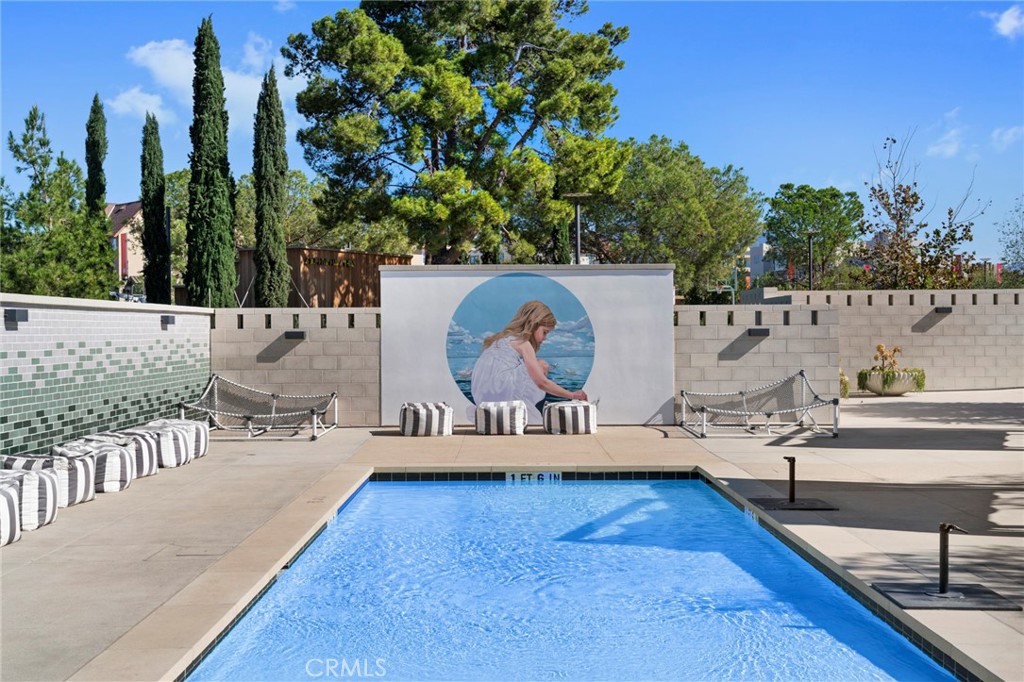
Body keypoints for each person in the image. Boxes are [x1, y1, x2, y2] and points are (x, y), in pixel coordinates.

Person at [470, 300, 588, 424]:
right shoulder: (523, 343)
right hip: (502, 390)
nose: (545, 338)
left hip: (482, 395)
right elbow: (542, 383)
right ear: (533, 324)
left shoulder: (501, 340)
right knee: (542, 365)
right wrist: (572, 395)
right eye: (544, 332)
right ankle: (523, 401)